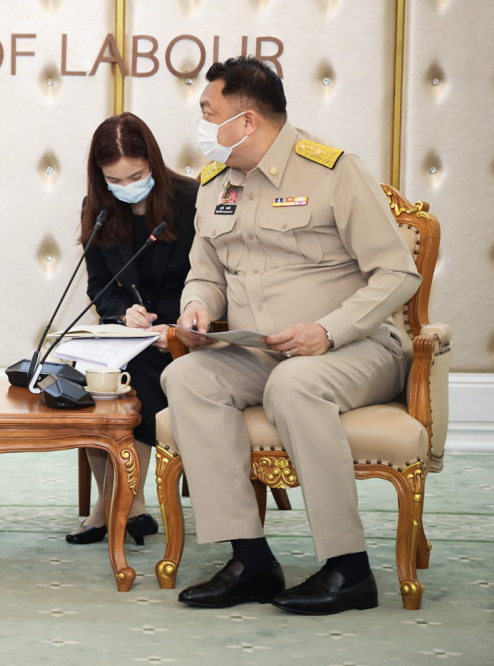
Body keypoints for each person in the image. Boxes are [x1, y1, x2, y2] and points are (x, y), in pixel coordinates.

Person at [161, 56, 421, 615]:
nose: (202, 125)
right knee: (186, 377)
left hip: (357, 348)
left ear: (247, 121)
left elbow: (398, 274)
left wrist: (327, 331)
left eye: (209, 112)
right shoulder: (214, 183)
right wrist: (197, 309)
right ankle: (251, 561)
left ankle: (349, 569)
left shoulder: (332, 171)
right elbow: (205, 274)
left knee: (295, 384)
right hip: (261, 350)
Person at [66, 113, 198, 546]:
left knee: (135, 376)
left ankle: (109, 508)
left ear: (152, 164)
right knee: (89, 378)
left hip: (180, 335)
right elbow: (99, 286)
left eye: (136, 176)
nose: (126, 187)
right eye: (114, 180)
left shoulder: (191, 200)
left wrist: (172, 323)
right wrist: (124, 314)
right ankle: (131, 505)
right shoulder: (98, 207)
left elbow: (211, 279)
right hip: (127, 331)